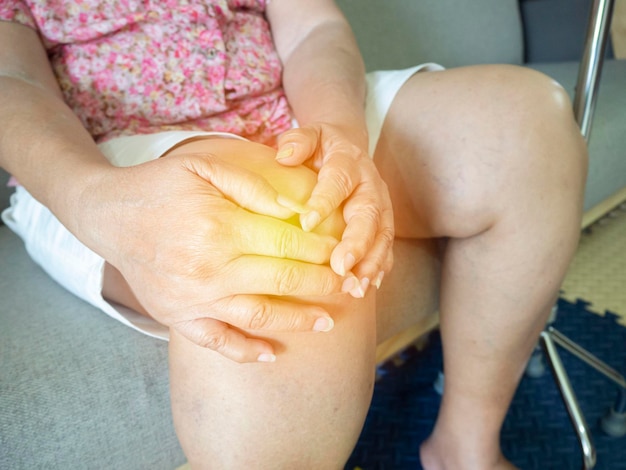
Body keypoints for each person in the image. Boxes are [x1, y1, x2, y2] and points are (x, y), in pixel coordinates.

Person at [0, 1, 588, 469]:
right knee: (276, 223)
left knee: (526, 121)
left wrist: (337, 134)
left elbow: (313, 30)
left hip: (287, 109)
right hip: (98, 154)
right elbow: (13, 81)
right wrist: (90, 198)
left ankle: (466, 449)